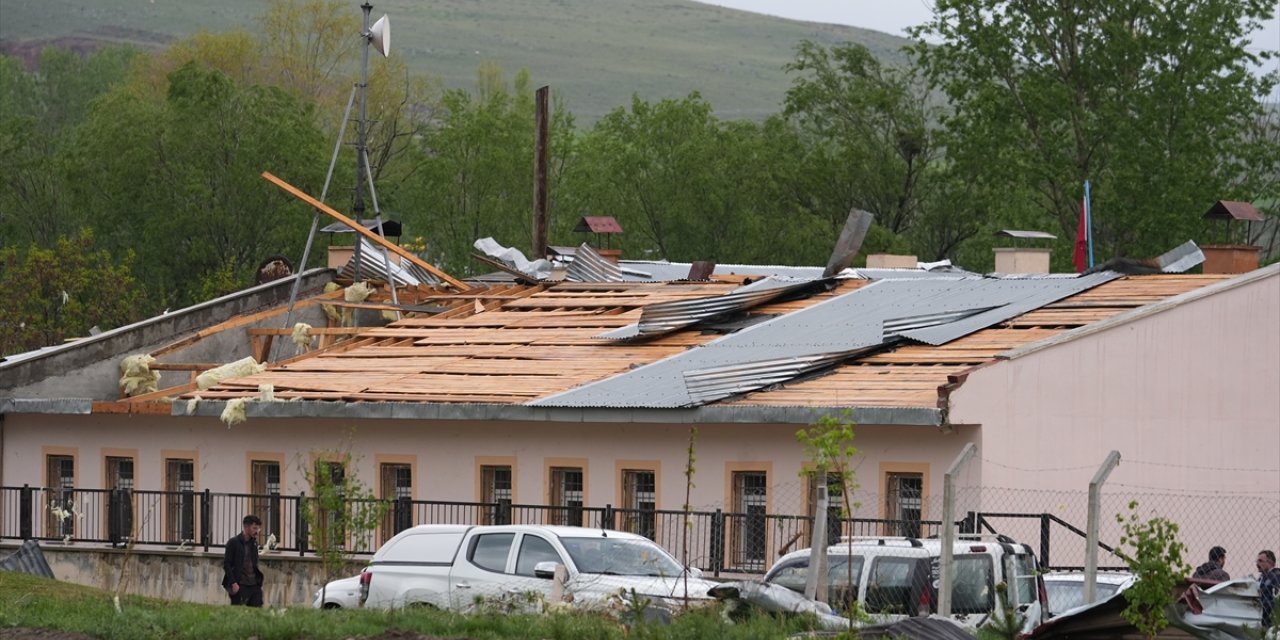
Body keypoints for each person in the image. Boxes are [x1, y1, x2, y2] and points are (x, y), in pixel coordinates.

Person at [223, 514, 264, 607]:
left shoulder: (254, 544)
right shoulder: (233, 543)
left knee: (257, 613)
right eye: (254, 528)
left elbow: (254, 563)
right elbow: (227, 564)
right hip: (240, 585)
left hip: (254, 585)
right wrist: (234, 583)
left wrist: (258, 583)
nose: (257, 531)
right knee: (238, 614)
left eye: (258, 529)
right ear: (246, 527)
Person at [1259, 550, 1280, 629]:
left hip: (1271, 618)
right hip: (1262, 617)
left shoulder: (1276, 576)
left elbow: (1276, 596)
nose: (1257, 564)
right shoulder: (1262, 579)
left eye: (1260, 561)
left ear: (1270, 562)